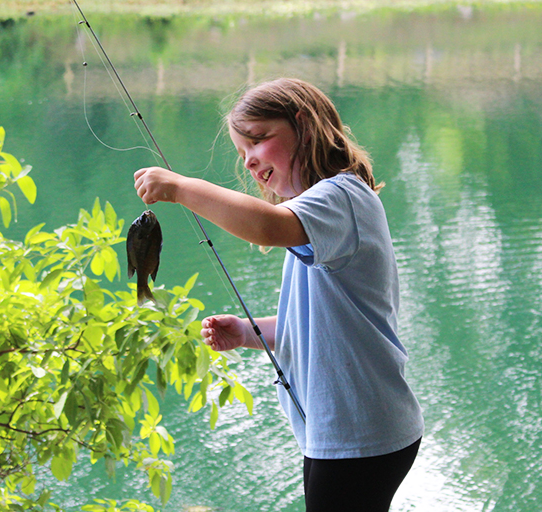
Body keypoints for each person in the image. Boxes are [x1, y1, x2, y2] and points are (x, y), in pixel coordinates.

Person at [134, 77, 424, 512]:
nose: (249, 161)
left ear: (303, 126)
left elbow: (267, 225)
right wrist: (249, 332)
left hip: (359, 435)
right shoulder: (322, 212)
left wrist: (178, 187)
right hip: (349, 432)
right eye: (241, 153)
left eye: (257, 140)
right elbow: (318, 327)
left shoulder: (340, 198)